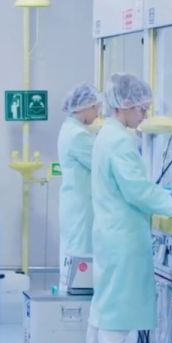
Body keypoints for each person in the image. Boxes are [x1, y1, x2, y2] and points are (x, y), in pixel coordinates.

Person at [82, 73, 172, 343]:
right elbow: (137, 191)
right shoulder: (120, 141)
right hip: (123, 236)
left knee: (105, 301)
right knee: (118, 304)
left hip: (109, 232)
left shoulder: (107, 135)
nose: (144, 114)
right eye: (142, 108)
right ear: (124, 106)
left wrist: (163, 195)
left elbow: (131, 186)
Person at [57, 83, 101, 280]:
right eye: (96, 107)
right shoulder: (78, 136)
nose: (98, 113)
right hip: (81, 209)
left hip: (74, 205)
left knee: (72, 256)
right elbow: (103, 165)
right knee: (80, 258)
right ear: (85, 107)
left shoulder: (69, 129)